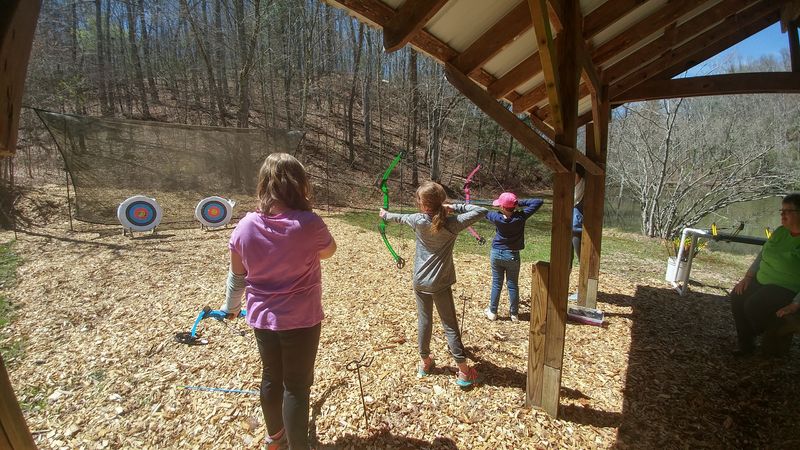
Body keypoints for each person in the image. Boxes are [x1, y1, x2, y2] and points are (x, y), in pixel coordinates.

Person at [221, 153, 337, 450]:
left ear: (264, 184)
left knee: (272, 377)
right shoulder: (308, 223)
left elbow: (238, 276)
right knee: (296, 386)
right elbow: (328, 252)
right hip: (301, 319)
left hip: (263, 318)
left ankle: (275, 439)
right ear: (299, 185)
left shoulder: (245, 226)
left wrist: (231, 308)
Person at [379, 181, 487, 388]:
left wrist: (384, 214)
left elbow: (397, 217)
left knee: (424, 321)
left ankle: (425, 362)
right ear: (441, 201)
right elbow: (480, 210)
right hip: (439, 283)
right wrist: (454, 207)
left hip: (419, 281)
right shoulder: (453, 222)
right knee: (449, 325)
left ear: (421, 204)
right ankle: (464, 372)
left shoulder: (417, 220)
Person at [730, 193, 800, 357]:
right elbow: (762, 255)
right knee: (737, 296)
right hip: (761, 280)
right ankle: (746, 345)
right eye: (781, 210)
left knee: (754, 305)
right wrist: (748, 277)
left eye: (787, 211)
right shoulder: (780, 232)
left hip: (786, 287)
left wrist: (796, 304)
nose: (782, 214)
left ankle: (771, 330)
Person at [483, 192, 543, 322]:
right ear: (513, 207)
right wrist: (518, 203)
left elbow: (481, 211)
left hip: (496, 254)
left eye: (500, 205)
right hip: (512, 255)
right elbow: (538, 201)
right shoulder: (521, 217)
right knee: (512, 285)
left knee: (496, 283)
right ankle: (514, 314)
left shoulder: (495, 217)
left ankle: (492, 312)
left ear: (503, 208)